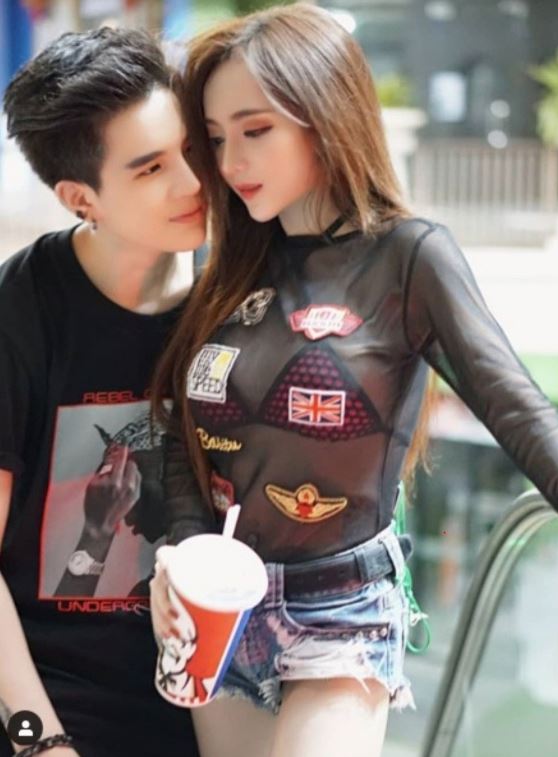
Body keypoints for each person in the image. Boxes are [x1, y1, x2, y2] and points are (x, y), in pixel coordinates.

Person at [149, 5, 558, 757]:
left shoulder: (408, 256)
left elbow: (514, 406)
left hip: (341, 611)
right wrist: (186, 551)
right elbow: (184, 434)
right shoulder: (229, 267)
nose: (231, 162)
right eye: (218, 138)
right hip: (218, 606)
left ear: (324, 117)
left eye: (256, 131)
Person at [0, 27, 205, 757]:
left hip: (208, 700)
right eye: (152, 168)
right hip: (42, 701)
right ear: (81, 198)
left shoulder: (237, 295)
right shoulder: (21, 311)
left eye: (193, 149)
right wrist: (40, 741)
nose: (193, 182)